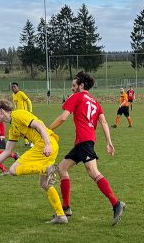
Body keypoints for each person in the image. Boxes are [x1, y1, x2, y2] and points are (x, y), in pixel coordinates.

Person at [47, 71, 125, 224]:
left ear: (81, 85)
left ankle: (116, 204)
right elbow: (103, 122)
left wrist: (48, 130)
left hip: (84, 141)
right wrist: (109, 141)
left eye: (74, 86)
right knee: (62, 168)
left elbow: (63, 117)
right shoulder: (96, 102)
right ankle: (66, 207)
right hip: (83, 142)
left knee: (93, 172)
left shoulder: (77, 96)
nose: (72, 89)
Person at [0, 100, 66, 223]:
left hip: (44, 146)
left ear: (2, 111)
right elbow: (7, 152)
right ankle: (61, 216)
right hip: (47, 147)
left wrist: (47, 144)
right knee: (44, 184)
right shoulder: (13, 128)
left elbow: (39, 125)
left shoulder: (18, 114)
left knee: (13, 170)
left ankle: (47, 168)